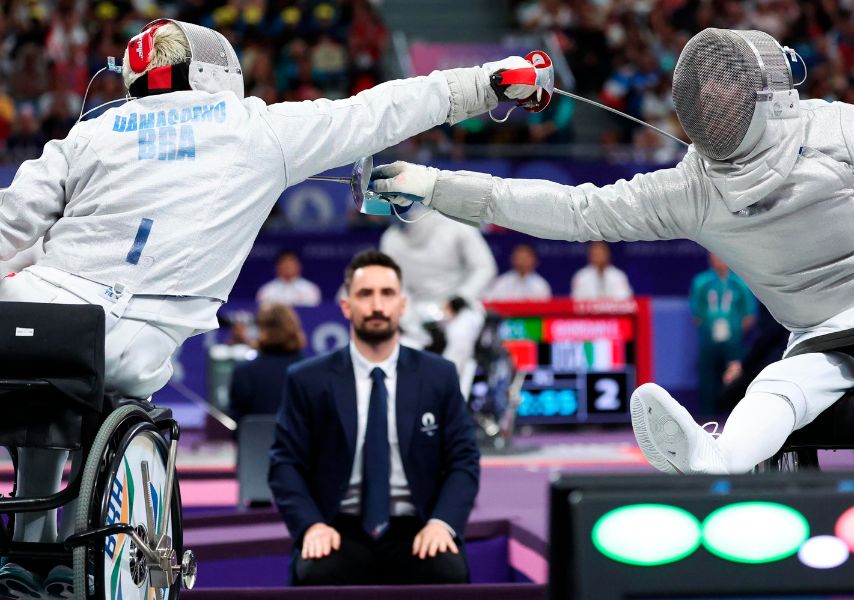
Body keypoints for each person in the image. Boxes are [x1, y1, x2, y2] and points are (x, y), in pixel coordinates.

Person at [0, 17, 535, 593]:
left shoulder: (92, 131)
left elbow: (11, 221)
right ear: (217, 69)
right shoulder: (256, 127)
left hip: (34, 316)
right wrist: (493, 82)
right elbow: (385, 108)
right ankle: (39, 557)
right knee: (89, 374)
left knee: (41, 374)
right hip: (130, 338)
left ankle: (28, 553)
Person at [370, 28, 854, 475]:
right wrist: (437, 186)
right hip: (828, 333)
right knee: (778, 390)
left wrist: (435, 185)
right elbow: (571, 210)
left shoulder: (833, 135)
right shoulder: (699, 184)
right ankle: (713, 456)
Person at [269, 250, 479, 585]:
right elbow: (285, 464)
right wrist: (311, 526)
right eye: (365, 294)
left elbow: (464, 460)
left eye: (387, 294)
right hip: (338, 526)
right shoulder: (307, 379)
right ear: (346, 306)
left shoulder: (439, 376)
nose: (377, 305)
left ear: (402, 304)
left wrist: (442, 523)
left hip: (418, 524)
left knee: (447, 570)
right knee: (316, 572)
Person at [380, 207, 497, 392]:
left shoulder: (456, 226)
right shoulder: (390, 240)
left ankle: (448, 397)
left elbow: (484, 267)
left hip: (459, 307)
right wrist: (409, 319)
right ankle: (410, 407)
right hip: (418, 310)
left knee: (460, 338)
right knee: (402, 349)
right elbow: (396, 286)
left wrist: (461, 298)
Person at [689, 253, 757, 416]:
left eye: (721, 256)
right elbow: (696, 313)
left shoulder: (740, 282)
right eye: (714, 256)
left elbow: (749, 314)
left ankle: (736, 414)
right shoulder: (701, 282)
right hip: (709, 337)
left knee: (735, 374)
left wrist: (736, 332)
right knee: (707, 375)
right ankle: (707, 415)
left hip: (733, 338)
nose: (718, 260)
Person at [228, 303, 307, 423]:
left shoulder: (243, 372)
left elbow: (235, 422)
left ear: (261, 330)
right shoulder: (310, 371)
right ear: (294, 328)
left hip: (254, 441)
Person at [485, 243, 552, 301]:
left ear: (534, 260)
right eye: (519, 257)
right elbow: (493, 304)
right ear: (512, 258)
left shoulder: (541, 284)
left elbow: (545, 309)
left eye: (525, 257)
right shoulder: (502, 281)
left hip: (532, 316)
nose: (522, 261)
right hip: (507, 315)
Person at [256, 250, 322, 307]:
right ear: (277, 267)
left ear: (299, 266)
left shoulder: (310, 289)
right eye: (284, 262)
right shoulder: (266, 291)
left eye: (291, 262)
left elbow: (313, 314)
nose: (288, 265)